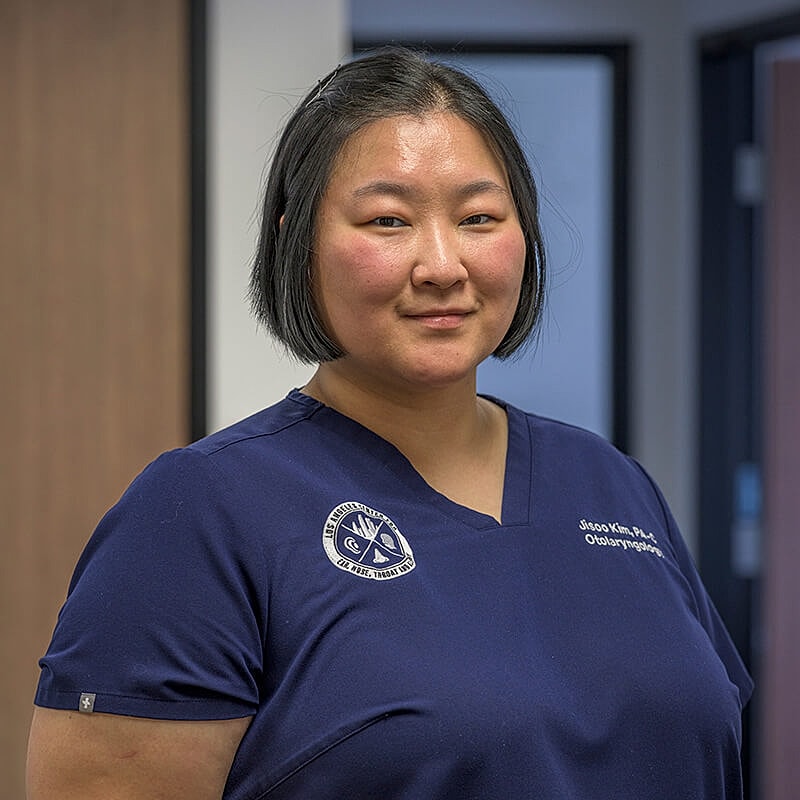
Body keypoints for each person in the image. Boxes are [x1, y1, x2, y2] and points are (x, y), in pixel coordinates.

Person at [27, 47, 752, 799]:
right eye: (387, 220)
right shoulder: (199, 512)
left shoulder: (611, 484)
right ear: (297, 242)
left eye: (479, 217)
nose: (442, 264)